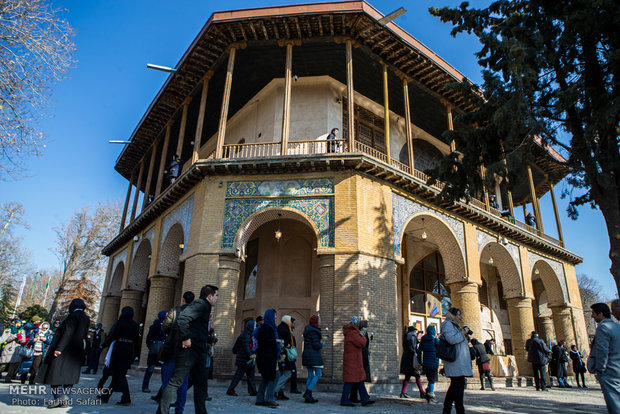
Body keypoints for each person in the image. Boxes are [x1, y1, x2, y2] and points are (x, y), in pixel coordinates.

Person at [157, 285, 218, 414]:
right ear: (210, 296)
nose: (217, 299)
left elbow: (196, 330)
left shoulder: (205, 307)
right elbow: (183, 319)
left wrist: (208, 340)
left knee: (201, 383)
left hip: (198, 351)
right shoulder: (201, 304)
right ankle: (162, 411)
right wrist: (185, 338)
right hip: (189, 352)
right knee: (175, 382)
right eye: (216, 295)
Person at [35, 298, 90, 408]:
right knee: (69, 375)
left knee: (54, 373)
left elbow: (68, 333)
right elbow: (84, 335)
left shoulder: (72, 316)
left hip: (64, 349)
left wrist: (59, 348)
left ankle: (59, 397)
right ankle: (65, 397)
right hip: (76, 350)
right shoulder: (85, 318)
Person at [152, 291, 194, 413]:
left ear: (183, 300)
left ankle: (163, 410)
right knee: (183, 382)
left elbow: (164, 327)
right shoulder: (196, 315)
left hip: (172, 350)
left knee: (168, 382)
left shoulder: (175, 311)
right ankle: (179, 410)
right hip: (186, 352)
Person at [98, 306, 139, 405]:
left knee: (120, 376)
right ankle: (106, 396)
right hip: (128, 351)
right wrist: (136, 354)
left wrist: (103, 346)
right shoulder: (135, 325)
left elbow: (113, 336)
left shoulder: (120, 323)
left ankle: (126, 398)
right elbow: (137, 341)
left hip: (118, 351)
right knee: (117, 376)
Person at [589, 303, 620, 414]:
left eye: (593, 313)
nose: (592, 316)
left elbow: (602, 351)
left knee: (615, 405)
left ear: (601, 314)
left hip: (609, 371)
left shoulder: (603, 327)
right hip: (618, 369)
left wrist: (600, 369)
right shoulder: (617, 327)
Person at [441, 307, 473, 414]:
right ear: (452, 315)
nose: (460, 317)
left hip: (459, 362)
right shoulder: (447, 324)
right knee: (458, 388)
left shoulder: (454, 325)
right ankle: (460, 411)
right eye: (458, 315)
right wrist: (463, 332)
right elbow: (452, 339)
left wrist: (463, 333)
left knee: (455, 387)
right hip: (455, 362)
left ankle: (447, 410)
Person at [340, 316, 374, 407]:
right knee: (350, 381)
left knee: (359, 380)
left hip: (354, 361)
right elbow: (362, 343)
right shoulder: (352, 333)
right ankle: (344, 400)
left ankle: (365, 399)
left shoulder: (351, 332)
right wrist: (363, 336)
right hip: (353, 361)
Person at [255, 308, 281, 408]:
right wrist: (276, 341)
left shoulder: (268, 327)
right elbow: (264, 340)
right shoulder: (267, 327)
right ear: (270, 316)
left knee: (265, 377)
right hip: (268, 357)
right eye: (274, 315)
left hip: (267, 356)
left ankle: (260, 399)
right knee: (274, 375)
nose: (275, 317)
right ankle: (269, 399)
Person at [226, 320, 258, 397]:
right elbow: (246, 345)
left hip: (247, 359)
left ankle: (253, 391)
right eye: (255, 326)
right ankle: (230, 390)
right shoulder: (246, 334)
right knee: (238, 376)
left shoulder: (250, 334)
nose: (255, 327)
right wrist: (250, 354)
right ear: (251, 326)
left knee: (251, 375)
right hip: (244, 359)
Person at [141, 310, 166, 392]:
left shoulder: (154, 325)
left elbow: (148, 338)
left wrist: (150, 346)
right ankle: (164, 389)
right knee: (164, 369)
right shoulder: (166, 326)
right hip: (162, 349)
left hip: (154, 348)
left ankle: (145, 386)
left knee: (150, 368)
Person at [274, 315, 296, 401]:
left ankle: (280, 393)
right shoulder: (283, 329)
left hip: (285, 354)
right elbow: (280, 340)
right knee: (288, 373)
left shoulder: (285, 328)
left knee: (283, 373)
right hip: (284, 354)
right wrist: (286, 344)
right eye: (291, 321)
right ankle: (275, 390)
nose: (292, 323)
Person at [301, 315, 323, 404]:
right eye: (319, 320)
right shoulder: (314, 331)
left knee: (310, 374)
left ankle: (308, 396)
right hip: (313, 355)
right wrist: (322, 345)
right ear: (316, 322)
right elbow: (315, 345)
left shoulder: (308, 330)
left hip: (307, 354)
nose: (320, 321)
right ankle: (307, 392)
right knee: (318, 373)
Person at [399, 326, 425, 399]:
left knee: (407, 376)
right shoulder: (412, 336)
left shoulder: (406, 336)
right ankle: (422, 392)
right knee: (417, 375)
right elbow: (413, 347)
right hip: (412, 358)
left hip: (406, 358)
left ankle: (403, 392)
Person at [0, 319, 27, 383]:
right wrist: (15, 336)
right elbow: (6, 339)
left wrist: (20, 338)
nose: (18, 325)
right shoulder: (9, 330)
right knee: (3, 365)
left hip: (16, 350)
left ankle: (8, 378)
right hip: (8, 348)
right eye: (17, 323)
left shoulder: (22, 331)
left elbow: (23, 341)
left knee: (13, 365)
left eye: (19, 324)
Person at [418, 325, 440, 403]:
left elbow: (419, 351)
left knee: (430, 379)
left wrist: (419, 361)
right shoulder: (435, 340)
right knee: (432, 380)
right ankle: (430, 395)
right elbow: (440, 348)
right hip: (434, 362)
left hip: (426, 363)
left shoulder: (423, 340)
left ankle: (428, 391)